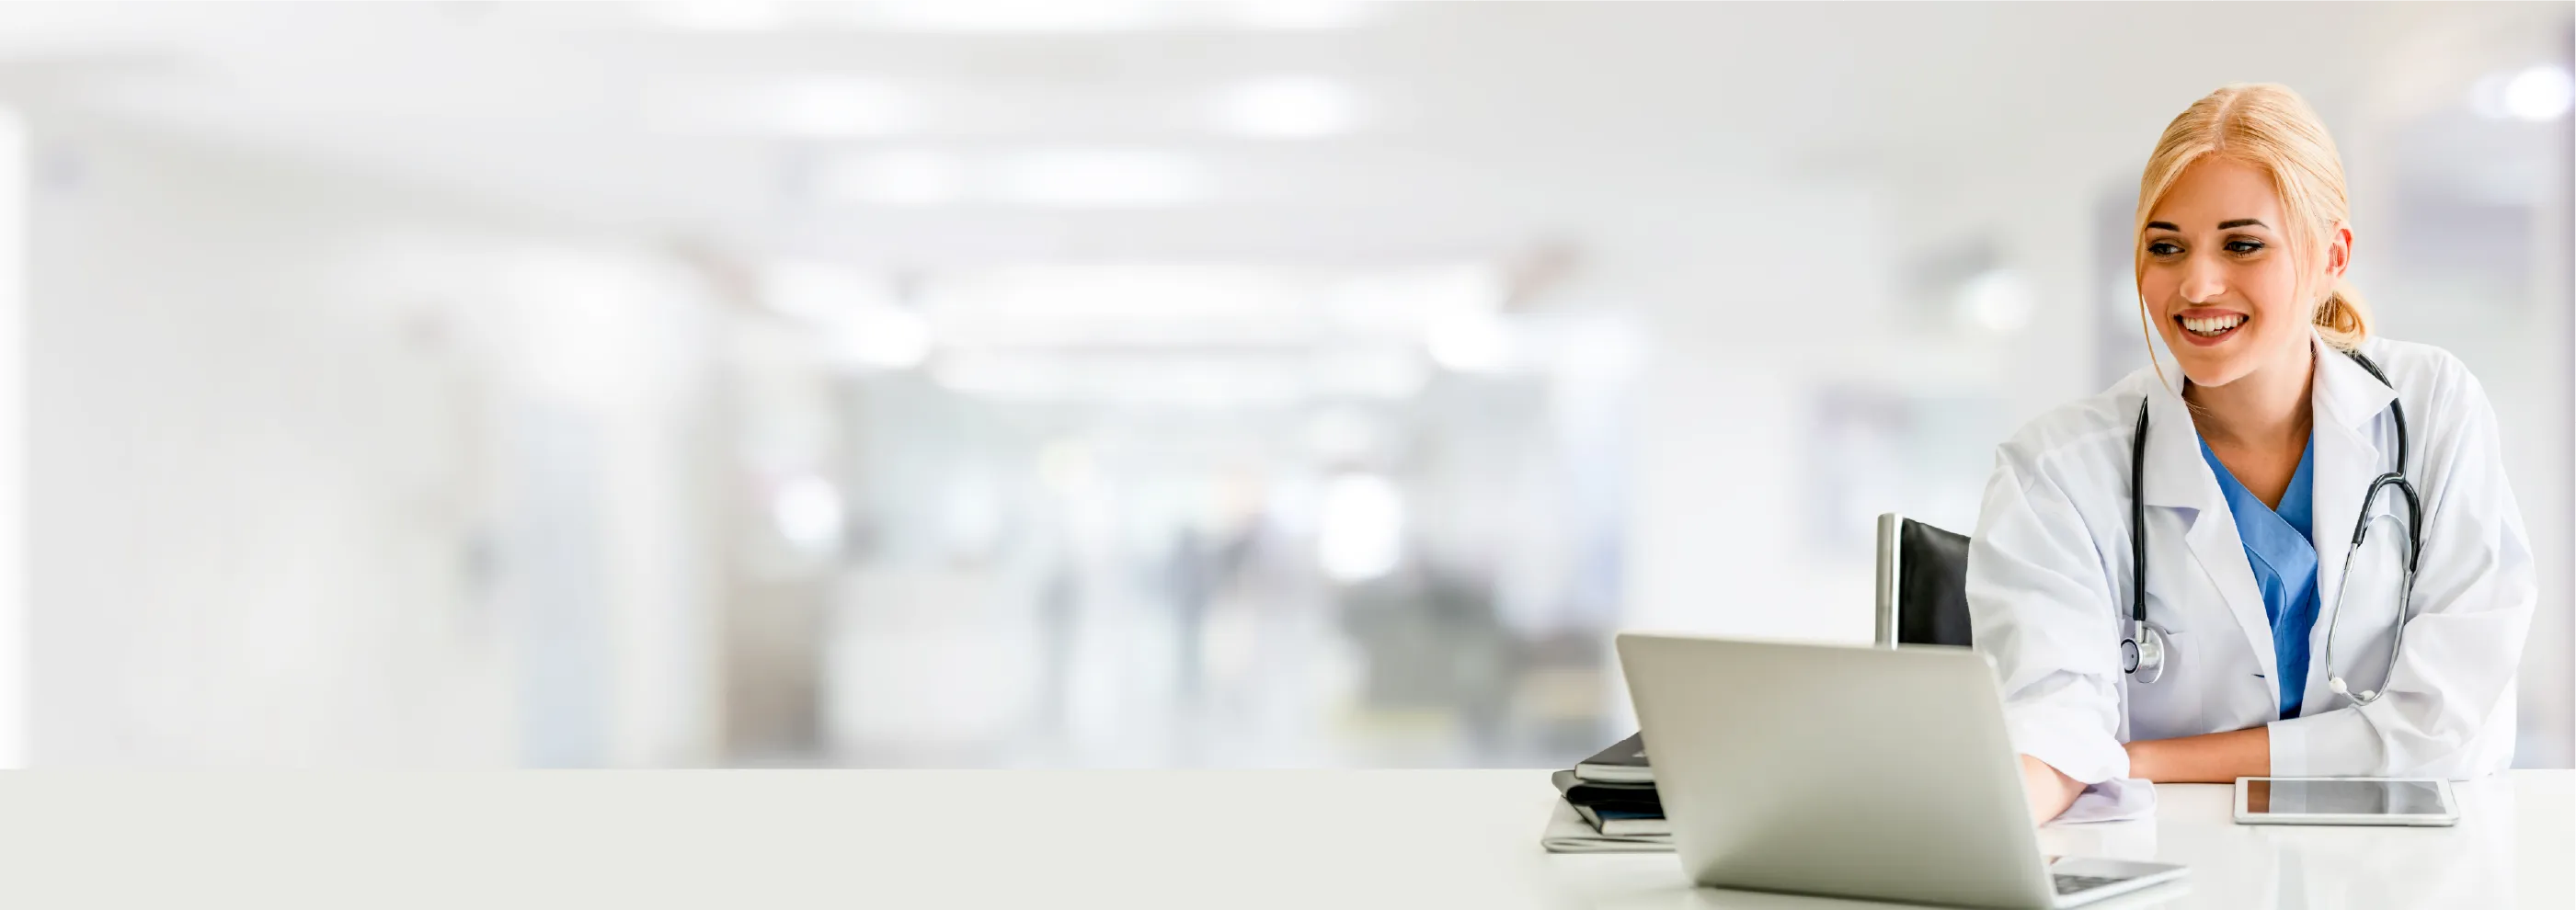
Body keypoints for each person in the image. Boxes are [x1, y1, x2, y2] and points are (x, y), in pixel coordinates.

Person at [1965, 84, 2536, 823]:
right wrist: (1999, 805)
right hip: (2181, 875)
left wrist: (2140, 762)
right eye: (2165, 247)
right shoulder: (2057, 469)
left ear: (2331, 255)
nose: (2196, 284)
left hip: (2409, 877)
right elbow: (2049, 728)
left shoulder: (2429, 408)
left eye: (2242, 244)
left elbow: (2447, 728)